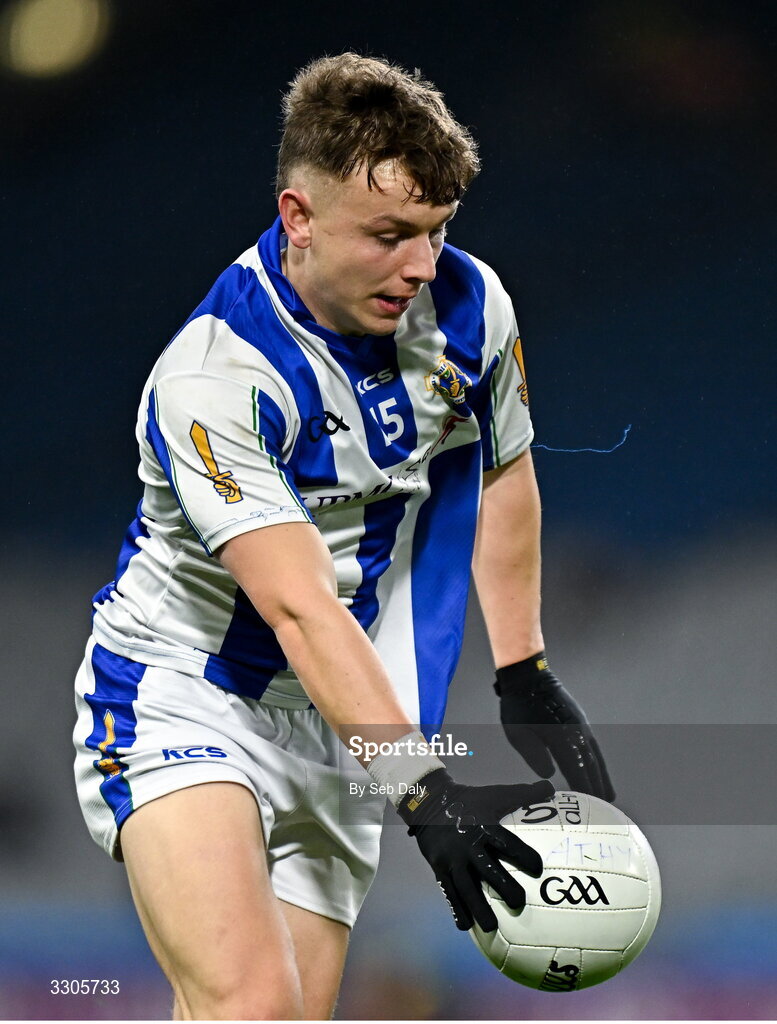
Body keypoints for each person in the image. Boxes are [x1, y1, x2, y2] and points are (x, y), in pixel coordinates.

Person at [73, 53, 614, 1020]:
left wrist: (523, 669)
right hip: (183, 693)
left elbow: (503, 471)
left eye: (436, 233)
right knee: (255, 1004)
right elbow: (298, 606)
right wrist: (425, 792)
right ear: (298, 217)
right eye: (389, 235)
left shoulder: (470, 304)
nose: (418, 266)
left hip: (334, 721)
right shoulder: (218, 375)